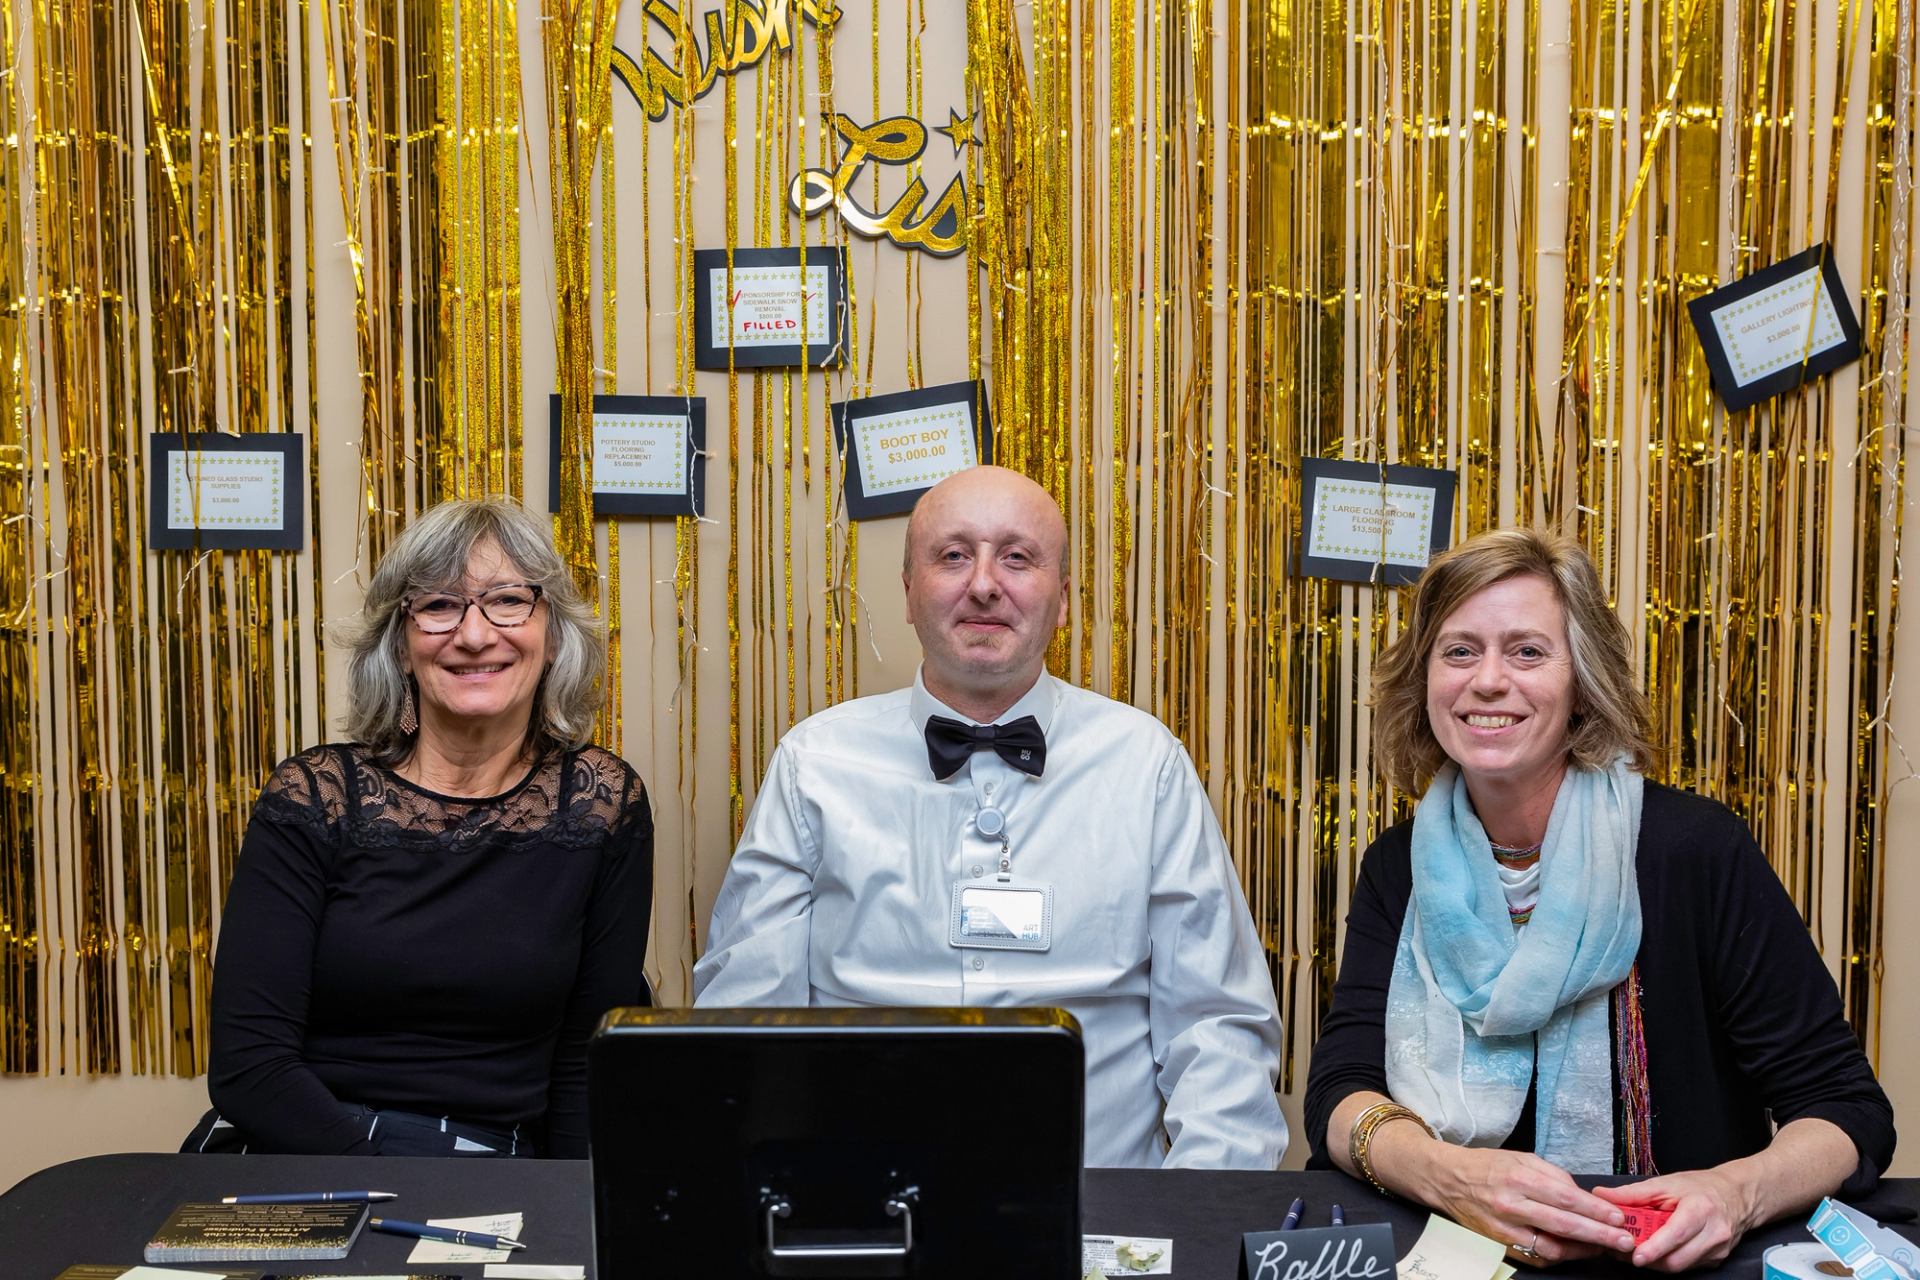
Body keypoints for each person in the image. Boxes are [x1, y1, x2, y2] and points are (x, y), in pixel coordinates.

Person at [1304, 529, 1894, 1270]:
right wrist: (1446, 1175)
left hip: (1668, 1261)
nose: (1488, 681)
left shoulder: (1693, 850)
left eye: (1527, 651)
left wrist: (1734, 1193)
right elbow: (1338, 1094)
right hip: (1458, 1254)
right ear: (1424, 681)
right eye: (1459, 651)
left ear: (1583, 681)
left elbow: (1845, 1110)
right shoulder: (1399, 866)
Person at [693, 465, 1286, 1170]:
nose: (982, 584)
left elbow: (1216, 1029)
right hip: (862, 1207)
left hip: (1094, 1215)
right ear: (909, 593)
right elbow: (742, 1021)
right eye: (952, 556)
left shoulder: (1145, 763)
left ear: (1062, 600)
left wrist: (1189, 1226)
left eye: (1017, 557)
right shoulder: (814, 763)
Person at [196, 497, 653, 1158]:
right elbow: (249, 1068)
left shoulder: (602, 803)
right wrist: (393, 1192)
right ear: (401, 646)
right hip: (295, 1151)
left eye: (508, 600)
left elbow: (587, 1069)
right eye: (439, 605)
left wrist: (573, 1220)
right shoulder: (315, 796)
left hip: (493, 1163)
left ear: (552, 635)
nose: (473, 635)